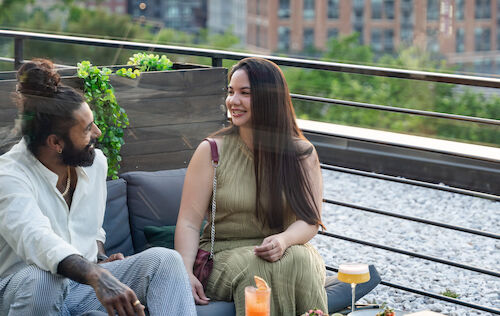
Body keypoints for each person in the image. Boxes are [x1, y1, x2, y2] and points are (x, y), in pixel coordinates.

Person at [0, 59, 197, 316]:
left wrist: (101, 260)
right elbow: (37, 239)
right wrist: (96, 276)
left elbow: (91, 230)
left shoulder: (94, 164)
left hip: (81, 287)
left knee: (165, 261)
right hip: (23, 293)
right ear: (56, 142)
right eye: (86, 129)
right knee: (45, 278)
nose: (98, 132)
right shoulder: (9, 176)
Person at [175, 57, 328, 315]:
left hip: (286, 249)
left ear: (270, 99)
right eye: (231, 92)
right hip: (223, 255)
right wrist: (184, 273)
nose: (233, 101)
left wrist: (284, 240)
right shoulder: (211, 151)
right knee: (258, 268)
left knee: (302, 259)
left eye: (245, 93)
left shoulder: (302, 154)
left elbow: (310, 220)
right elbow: (189, 222)